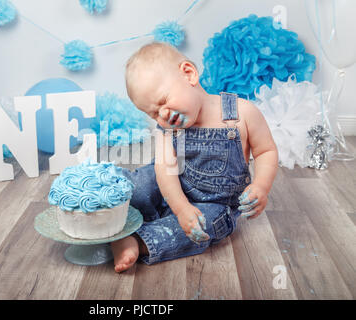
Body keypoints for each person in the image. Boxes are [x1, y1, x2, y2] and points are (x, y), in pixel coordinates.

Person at [110, 42, 278, 273]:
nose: (163, 115)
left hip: (213, 204)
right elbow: (165, 170)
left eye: (163, 102)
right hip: (172, 188)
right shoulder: (169, 129)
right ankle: (105, 201)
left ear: (188, 74)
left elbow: (265, 151)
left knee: (209, 224)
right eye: (153, 114)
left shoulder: (242, 113)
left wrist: (261, 185)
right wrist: (180, 208)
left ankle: (138, 240)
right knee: (139, 186)